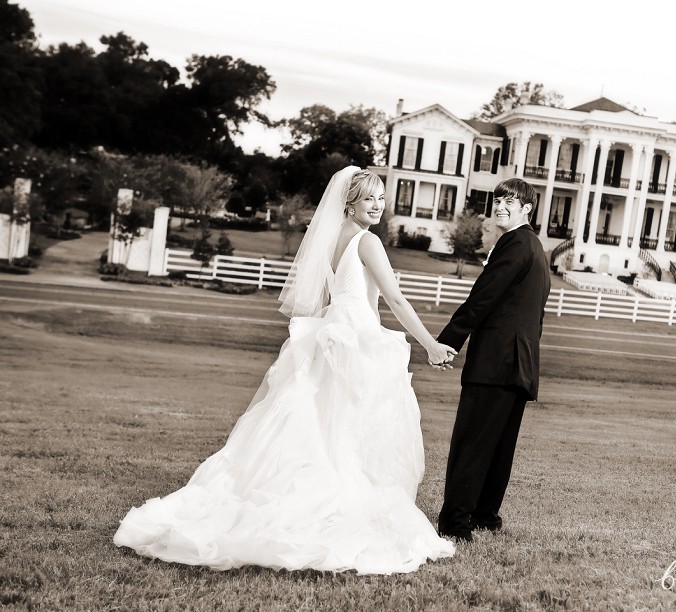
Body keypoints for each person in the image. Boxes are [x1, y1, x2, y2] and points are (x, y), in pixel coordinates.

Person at [113, 166, 457, 574]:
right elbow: (395, 300)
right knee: (349, 433)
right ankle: (336, 511)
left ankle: (306, 500)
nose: (378, 206)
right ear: (350, 202)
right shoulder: (367, 241)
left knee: (324, 428)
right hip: (357, 340)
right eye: (370, 199)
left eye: (382, 198)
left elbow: (333, 296)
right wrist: (431, 345)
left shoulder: (330, 239)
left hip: (332, 334)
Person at [435, 178, 551, 542]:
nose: (500, 206)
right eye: (497, 199)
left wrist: (448, 340)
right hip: (518, 365)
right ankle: (485, 515)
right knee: (498, 445)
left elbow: (483, 297)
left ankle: (455, 521)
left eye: (510, 201)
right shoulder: (535, 247)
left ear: (527, 209)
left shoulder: (514, 244)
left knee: (472, 442)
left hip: (496, 362)